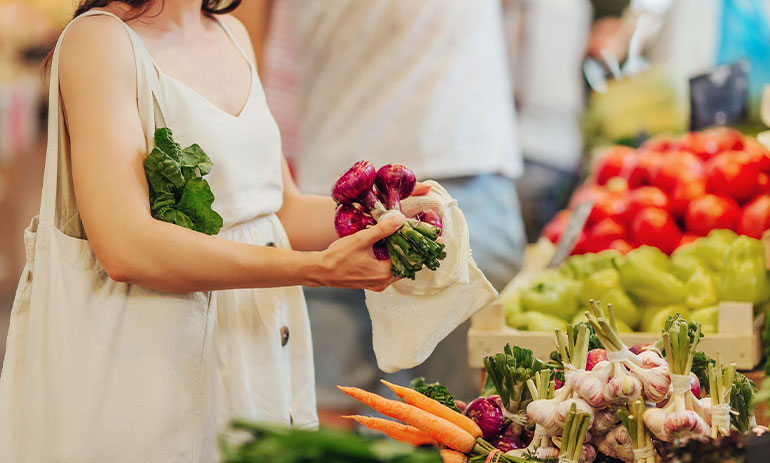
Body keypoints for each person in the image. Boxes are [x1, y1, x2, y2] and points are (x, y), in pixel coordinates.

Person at [0, 0, 430, 461]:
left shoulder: (231, 33)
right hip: (156, 364)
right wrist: (316, 269)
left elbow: (275, 212)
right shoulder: (99, 41)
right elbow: (125, 247)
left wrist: (387, 215)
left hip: (258, 346)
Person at [239, 0, 527, 413]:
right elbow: (244, 45)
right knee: (330, 403)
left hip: (460, 166)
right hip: (331, 197)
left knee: (476, 416)